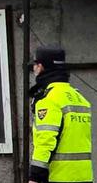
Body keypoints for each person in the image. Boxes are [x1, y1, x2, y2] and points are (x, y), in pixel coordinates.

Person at [29, 47, 92, 183]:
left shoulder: (49, 99)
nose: (33, 68)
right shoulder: (79, 98)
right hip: (84, 176)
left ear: (41, 67)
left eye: (35, 64)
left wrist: (34, 177)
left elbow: (45, 141)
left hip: (59, 177)